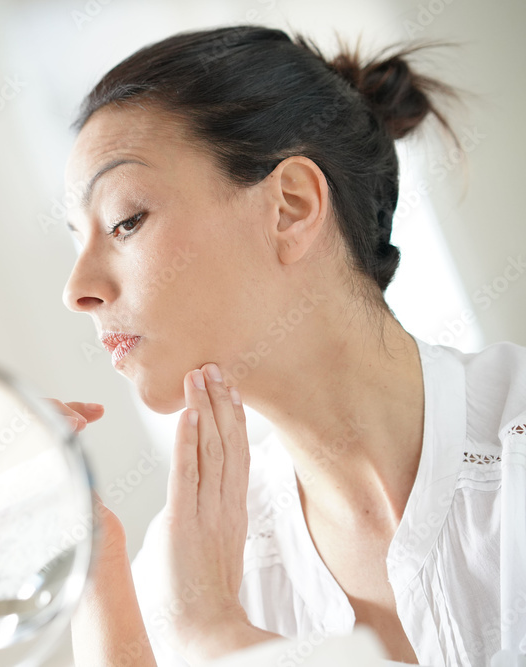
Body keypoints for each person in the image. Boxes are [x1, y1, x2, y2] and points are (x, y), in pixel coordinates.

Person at [46, 25, 526, 666]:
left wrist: (214, 634)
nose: (76, 290)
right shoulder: (185, 571)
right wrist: (92, 568)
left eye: (124, 221)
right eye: (76, 239)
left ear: (291, 206)